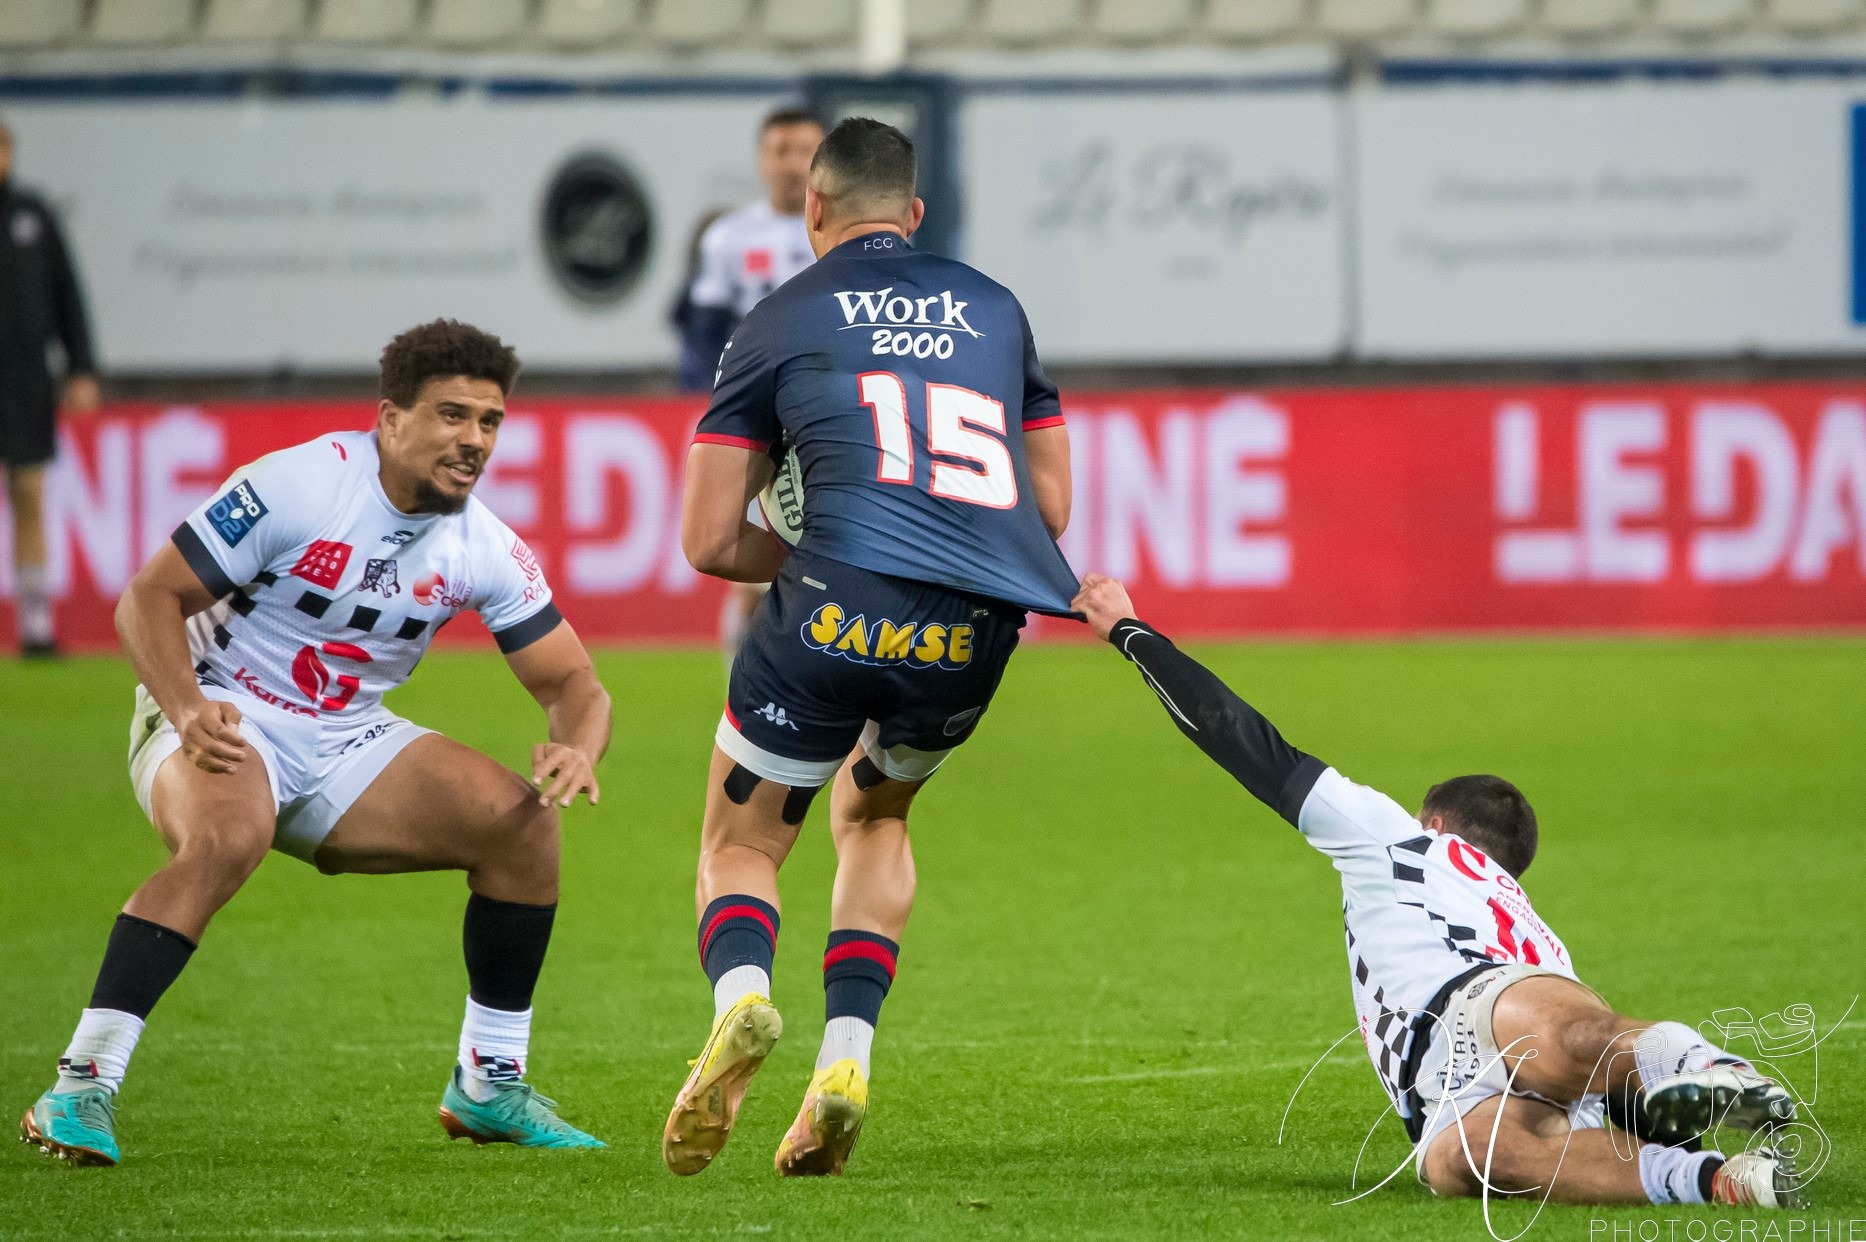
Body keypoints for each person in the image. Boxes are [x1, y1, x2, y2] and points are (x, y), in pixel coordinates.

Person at [19, 320, 611, 1167]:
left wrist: (576, 746)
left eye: (489, 422)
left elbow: (574, 684)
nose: (473, 440)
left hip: (343, 735)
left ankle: (490, 1084)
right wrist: (185, 708)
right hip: (221, 706)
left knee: (522, 827)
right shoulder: (299, 486)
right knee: (228, 835)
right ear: (389, 419)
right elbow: (148, 598)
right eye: (451, 415)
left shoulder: (482, 544)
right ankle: (80, 1083)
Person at [1069, 573, 1805, 1210]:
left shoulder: (1399, 839)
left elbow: (1243, 737)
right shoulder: (1537, 930)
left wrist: (1131, 631)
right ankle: (1719, 1177)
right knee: (1467, 1162)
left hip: (1477, 998)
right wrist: (1644, 1113)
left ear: (1439, 821)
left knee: (1552, 1037)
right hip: (1448, 1083)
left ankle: (1704, 1069)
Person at [666, 117, 1077, 1178]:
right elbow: (1053, 509)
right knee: (875, 813)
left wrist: (814, 547)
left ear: (812, 210)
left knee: (742, 844)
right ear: (917, 215)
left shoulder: (777, 317)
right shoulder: (996, 309)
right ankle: (844, 1063)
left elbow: (709, 540)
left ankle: (745, 1003)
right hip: (972, 627)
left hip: (832, 612)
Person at [672, 106, 824, 667]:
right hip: (759, 418)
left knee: (815, 543)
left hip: (825, 416)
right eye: (779, 150)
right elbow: (704, 334)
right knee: (747, 554)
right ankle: (744, 674)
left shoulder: (836, 231)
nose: (790, 163)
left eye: (803, 149)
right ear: (761, 159)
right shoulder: (729, 237)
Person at [0, 115, 100, 658]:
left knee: (28, 493)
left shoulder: (32, 215)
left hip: (24, 379)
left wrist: (81, 366)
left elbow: (67, 294)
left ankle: (35, 624)